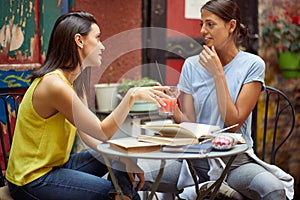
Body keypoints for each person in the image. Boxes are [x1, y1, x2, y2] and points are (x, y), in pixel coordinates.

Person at [5, 11, 171, 200]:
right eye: (98, 38)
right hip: (32, 179)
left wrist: (122, 158)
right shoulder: (55, 85)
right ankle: (122, 196)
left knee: (123, 152)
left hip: (57, 165)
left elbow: (87, 135)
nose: (102, 46)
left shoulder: (74, 80)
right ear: (79, 40)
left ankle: (124, 196)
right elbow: (102, 132)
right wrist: (131, 96)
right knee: (111, 188)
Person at [173, 0, 294, 199]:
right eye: (201, 24)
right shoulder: (191, 65)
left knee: (273, 189)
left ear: (231, 26)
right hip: (195, 161)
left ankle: (222, 190)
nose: (203, 30)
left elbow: (233, 123)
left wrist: (218, 74)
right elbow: (191, 125)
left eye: (210, 24)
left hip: (235, 162)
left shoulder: (252, 65)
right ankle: (219, 190)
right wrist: (173, 112)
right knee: (134, 175)